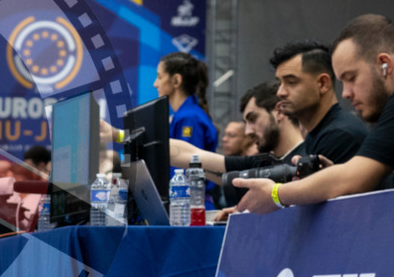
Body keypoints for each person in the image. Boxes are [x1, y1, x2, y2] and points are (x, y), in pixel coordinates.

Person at [236, 15, 394, 213]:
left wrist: (276, 194)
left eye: (351, 78)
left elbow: (353, 178)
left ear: (384, 65)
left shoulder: (342, 133)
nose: (345, 93)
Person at [170, 82, 306, 205]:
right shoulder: (263, 164)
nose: (247, 131)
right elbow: (191, 155)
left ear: (280, 112)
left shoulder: (310, 157)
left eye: (253, 119)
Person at [269, 39, 367, 164]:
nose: (280, 92)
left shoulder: (340, 136)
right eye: (279, 83)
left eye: (291, 82)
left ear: (322, 83)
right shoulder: (319, 133)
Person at [154, 52, 219, 207]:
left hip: (190, 207)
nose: (155, 84)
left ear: (176, 80)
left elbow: (188, 170)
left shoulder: (189, 118)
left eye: (159, 77)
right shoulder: (184, 115)